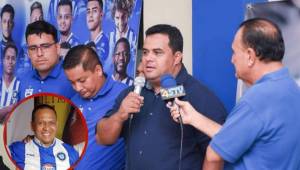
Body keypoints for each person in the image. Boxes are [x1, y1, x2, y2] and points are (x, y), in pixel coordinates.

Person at [168, 18, 300, 170]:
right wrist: (194, 118)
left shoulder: (256, 99)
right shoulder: (290, 88)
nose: (232, 60)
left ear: (250, 56)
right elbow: (233, 137)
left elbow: (213, 155)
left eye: (234, 52)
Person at [97, 24, 227, 169]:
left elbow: (218, 154)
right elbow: (102, 138)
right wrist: (119, 115)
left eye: (157, 52)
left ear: (177, 57)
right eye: (145, 52)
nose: (148, 59)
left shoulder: (200, 96)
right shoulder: (132, 93)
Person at [63, 45, 126, 169]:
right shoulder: (73, 101)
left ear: (98, 70)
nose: (77, 88)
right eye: (72, 82)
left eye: (82, 80)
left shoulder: (123, 94)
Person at [9, 104, 79, 170]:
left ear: (56, 125)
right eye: (41, 123)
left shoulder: (71, 153)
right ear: (32, 126)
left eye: (51, 123)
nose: (46, 128)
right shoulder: (16, 150)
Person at [18, 20, 75, 99]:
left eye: (45, 46)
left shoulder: (73, 78)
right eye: (33, 48)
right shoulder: (24, 80)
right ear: (28, 53)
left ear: (58, 48)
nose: (39, 53)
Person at [109, 0, 137, 78]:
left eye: (123, 17)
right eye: (117, 18)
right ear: (113, 18)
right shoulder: (111, 36)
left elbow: (134, 63)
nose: (120, 22)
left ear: (128, 16)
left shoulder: (134, 37)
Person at [18, 1, 44, 75]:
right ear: (30, 21)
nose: (38, 22)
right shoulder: (22, 50)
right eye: (35, 19)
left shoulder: (49, 47)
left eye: (40, 18)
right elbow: (19, 74)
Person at [85, 0, 110, 75]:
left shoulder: (106, 42)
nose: (90, 15)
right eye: (88, 12)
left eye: (94, 11)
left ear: (101, 15)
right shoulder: (85, 43)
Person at [0, 43, 20, 123]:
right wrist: (10, 107)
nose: (10, 62)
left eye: (13, 58)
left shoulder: (20, 85)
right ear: (3, 60)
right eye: (7, 58)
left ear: (16, 61)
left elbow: (17, 117)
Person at [0, 4, 15, 76]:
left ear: (13, 24)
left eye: (9, 22)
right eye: (4, 21)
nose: (7, 25)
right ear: (0, 24)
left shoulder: (20, 50)